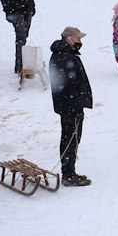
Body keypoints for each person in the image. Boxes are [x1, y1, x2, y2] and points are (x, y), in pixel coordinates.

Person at [49, 26, 94, 185]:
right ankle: (69, 175)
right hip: (70, 106)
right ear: (69, 38)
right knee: (71, 138)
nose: (80, 41)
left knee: (70, 137)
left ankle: (69, 171)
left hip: (68, 104)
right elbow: (68, 84)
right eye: (77, 38)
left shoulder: (64, 54)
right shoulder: (64, 57)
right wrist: (77, 103)